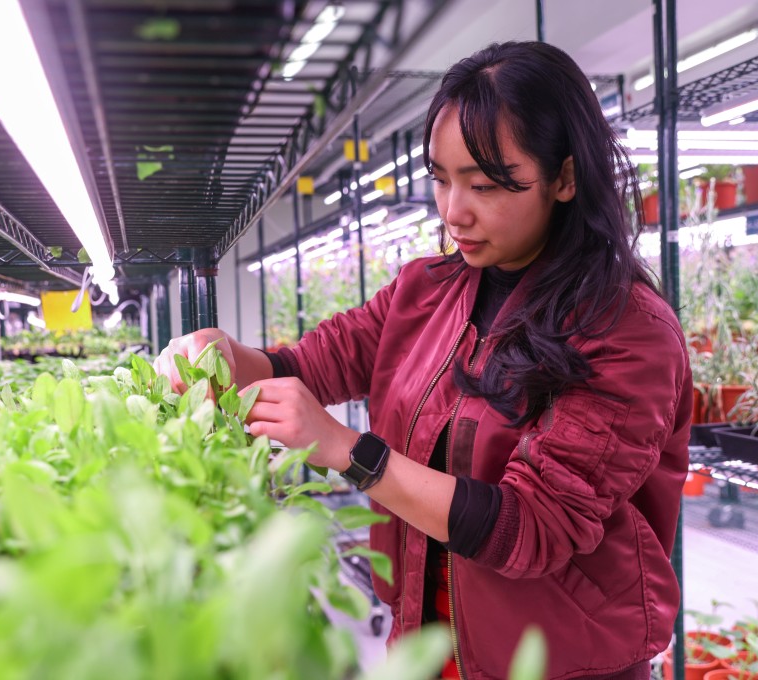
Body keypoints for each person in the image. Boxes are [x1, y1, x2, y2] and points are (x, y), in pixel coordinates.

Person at [154, 41, 691, 680]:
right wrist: (227, 357)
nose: (453, 211)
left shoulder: (628, 330)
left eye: (487, 184)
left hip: (561, 661)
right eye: (441, 178)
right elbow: (315, 363)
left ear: (566, 179)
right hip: (431, 644)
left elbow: (534, 527)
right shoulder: (428, 290)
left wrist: (350, 451)